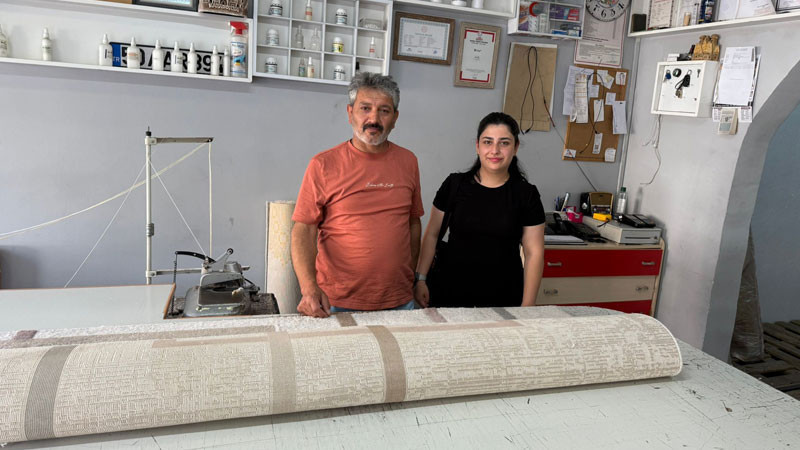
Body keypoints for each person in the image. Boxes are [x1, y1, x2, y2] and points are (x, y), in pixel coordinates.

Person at [291, 73, 424, 318]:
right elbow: (303, 230)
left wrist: (413, 278)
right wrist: (309, 288)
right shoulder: (323, 164)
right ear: (350, 113)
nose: (374, 119)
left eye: (384, 111)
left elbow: (413, 222)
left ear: (395, 118)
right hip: (336, 302)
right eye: (365, 108)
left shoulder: (408, 161)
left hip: (400, 300)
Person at [414, 112, 545, 308]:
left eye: (504, 143)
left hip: (504, 296)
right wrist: (421, 279)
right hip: (450, 293)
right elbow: (432, 234)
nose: (495, 150)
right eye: (487, 142)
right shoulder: (454, 185)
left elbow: (534, 252)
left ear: (516, 147)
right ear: (477, 146)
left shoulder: (526, 194)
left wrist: (528, 306)